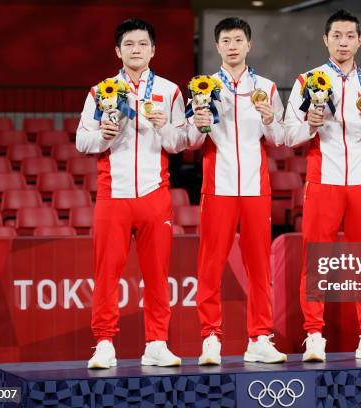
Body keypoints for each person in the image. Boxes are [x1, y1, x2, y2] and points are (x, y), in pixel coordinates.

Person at [284, 9, 361, 362]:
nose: (343, 42)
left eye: (350, 36)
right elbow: (289, 135)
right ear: (326, 40)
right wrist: (311, 124)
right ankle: (314, 335)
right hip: (324, 181)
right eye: (337, 35)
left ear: (360, 41)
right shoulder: (308, 81)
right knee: (315, 262)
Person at [77, 18, 188, 369]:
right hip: (114, 194)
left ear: (153, 50)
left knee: (157, 275)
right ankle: (105, 343)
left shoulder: (169, 91)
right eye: (129, 44)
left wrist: (163, 125)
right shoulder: (101, 91)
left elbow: (181, 143)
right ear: (117, 50)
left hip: (155, 194)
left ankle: (156, 343)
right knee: (107, 274)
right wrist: (105, 135)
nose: (136, 49)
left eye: (142, 44)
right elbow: (83, 141)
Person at [188, 17, 287, 365]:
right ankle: (210, 338)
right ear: (217, 47)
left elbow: (280, 139)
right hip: (218, 187)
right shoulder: (202, 87)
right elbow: (190, 140)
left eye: (238, 39)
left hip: (256, 189)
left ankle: (260, 337)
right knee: (210, 266)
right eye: (225, 40)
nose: (232, 45)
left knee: (260, 268)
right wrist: (199, 124)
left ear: (249, 45)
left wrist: (268, 118)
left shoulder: (267, 88)